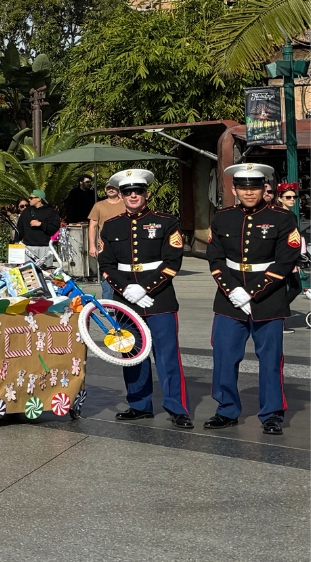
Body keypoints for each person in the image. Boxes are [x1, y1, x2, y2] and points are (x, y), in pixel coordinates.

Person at [205, 163, 301, 435]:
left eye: (255, 187)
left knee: (270, 359)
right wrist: (233, 289)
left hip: (268, 297)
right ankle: (226, 409)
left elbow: (285, 261)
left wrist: (252, 291)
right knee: (224, 355)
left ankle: (271, 413)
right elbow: (215, 258)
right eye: (243, 187)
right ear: (234, 189)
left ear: (264, 189)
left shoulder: (283, 218)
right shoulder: (222, 218)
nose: (249, 192)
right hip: (228, 298)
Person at [95, 169, 189, 428]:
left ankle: (177, 407)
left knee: (167, 355)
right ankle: (139, 404)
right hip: (125, 298)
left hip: (159, 297)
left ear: (146, 193)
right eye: (127, 192)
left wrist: (146, 288)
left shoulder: (166, 221)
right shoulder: (112, 226)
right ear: (121, 195)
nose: (133, 195)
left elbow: (172, 261)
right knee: (132, 353)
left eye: (138, 191)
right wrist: (125, 290)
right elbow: (107, 264)